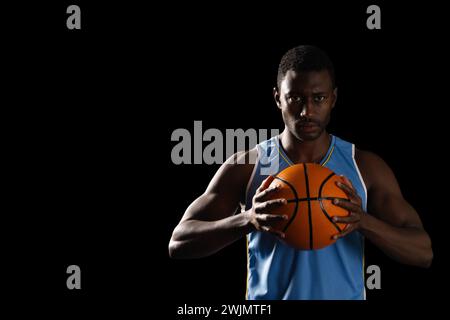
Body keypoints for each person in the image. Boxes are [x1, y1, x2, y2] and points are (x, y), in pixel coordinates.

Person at [168, 45, 433, 300]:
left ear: (333, 99)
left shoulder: (364, 166)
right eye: (295, 98)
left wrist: (363, 221)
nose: (307, 111)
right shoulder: (248, 165)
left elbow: (423, 252)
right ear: (277, 99)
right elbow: (178, 243)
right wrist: (247, 219)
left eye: (318, 98)